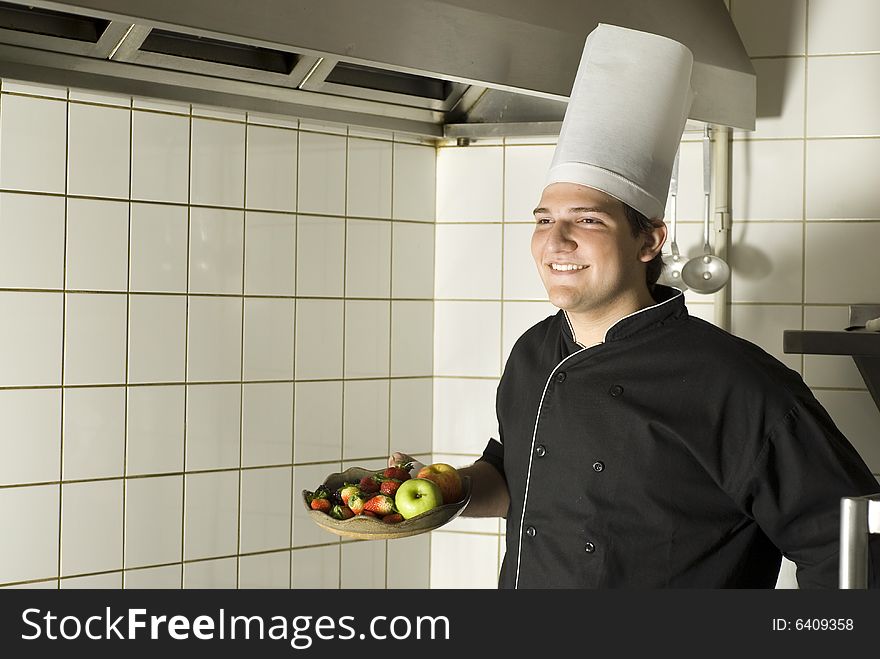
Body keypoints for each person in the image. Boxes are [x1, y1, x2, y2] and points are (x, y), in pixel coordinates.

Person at [391, 23, 880, 589]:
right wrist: (440, 493)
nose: (556, 242)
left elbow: (851, 547)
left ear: (649, 242)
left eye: (588, 220)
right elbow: (515, 477)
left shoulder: (737, 384)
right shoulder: (534, 352)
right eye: (545, 220)